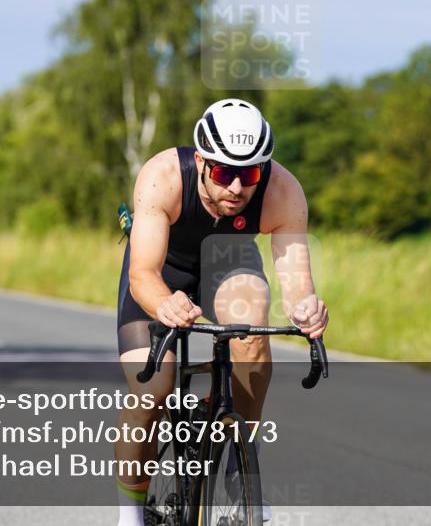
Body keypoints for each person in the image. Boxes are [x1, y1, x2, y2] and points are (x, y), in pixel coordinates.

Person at [114, 99, 329, 525]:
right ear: (201, 160)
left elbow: (298, 285)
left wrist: (307, 310)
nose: (236, 188)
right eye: (224, 173)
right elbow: (143, 275)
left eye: (248, 174)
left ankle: (240, 472)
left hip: (229, 262)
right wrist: (164, 303)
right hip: (162, 272)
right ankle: (130, 514)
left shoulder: (283, 190)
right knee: (154, 389)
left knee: (253, 327)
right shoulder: (163, 177)